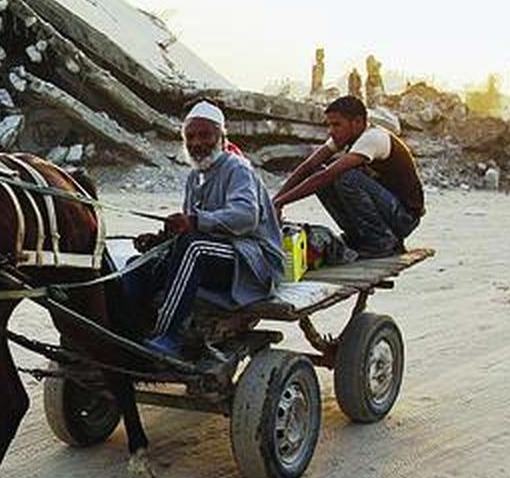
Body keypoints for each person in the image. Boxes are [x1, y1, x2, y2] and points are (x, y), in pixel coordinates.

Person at [126, 101, 284, 359]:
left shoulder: (237, 168)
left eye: (205, 135)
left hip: (253, 260)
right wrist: (161, 239)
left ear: (221, 137)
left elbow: (246, 217)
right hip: (218, 255)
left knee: (194, 248)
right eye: (191, 137)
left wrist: (195, 222)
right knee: (140, 263)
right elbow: (189, 227)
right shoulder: (194, 176)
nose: (197, 143)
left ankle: (169, 335)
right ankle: (130, 329)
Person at [273, 95, 424, 258]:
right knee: (320, 173)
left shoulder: (373, 137)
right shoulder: (346, 136)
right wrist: (275, 202)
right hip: (387, 211)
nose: (331, 131)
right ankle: (359, 236)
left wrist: (282, 202)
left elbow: (327, 175)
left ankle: (381, 241)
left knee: (345, 177)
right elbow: (308, 166)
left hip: (404, 217)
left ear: (357, 122)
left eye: (337, 125)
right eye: (329, 125)